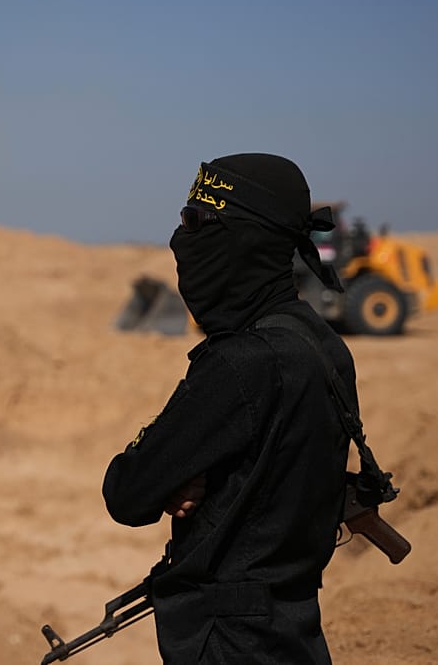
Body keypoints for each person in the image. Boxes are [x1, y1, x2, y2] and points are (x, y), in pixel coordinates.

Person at [102, 153, 356, 663]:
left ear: (246, 237)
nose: (181, 239)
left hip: (231, 643)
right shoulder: (323, 345)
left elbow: (128, 492)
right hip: (295, 635)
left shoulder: (242, 363)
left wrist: (177, 478)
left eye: (197, 221)